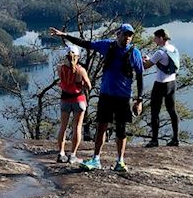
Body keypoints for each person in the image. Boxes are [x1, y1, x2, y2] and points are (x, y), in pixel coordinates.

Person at [50, 22, 143, 173]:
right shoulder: (108, 46)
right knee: (101, 127)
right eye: (125, 34)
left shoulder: (135, 53)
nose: (127, 38)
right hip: (106, 94)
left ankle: (120, 161)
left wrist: (139, 100)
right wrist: (65, 35)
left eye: (130, 35)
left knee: (121, 129)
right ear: (118, 34)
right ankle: (96, 159)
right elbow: (86, 44)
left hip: (123, 96)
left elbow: (139, 76)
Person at [53, 45, 92, 164]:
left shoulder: (60, 68)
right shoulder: (81, 70)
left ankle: (61, 153)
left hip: (65, 99)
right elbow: (89, 86)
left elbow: (63, 80)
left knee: (63, 127)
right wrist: (81, 84)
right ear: (78, 57)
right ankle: (73, 155)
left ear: (65, 56)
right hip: (78, 100)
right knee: (77, 127)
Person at [143, 28, 181, 147]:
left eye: (155, 38)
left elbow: (147, 66)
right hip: (172, 83)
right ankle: (176, 138)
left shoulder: (160, 52)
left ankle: (154, 140)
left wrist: (144, 59)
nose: (154, 40)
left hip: (160, 84)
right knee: (172, 111)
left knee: (155, 112)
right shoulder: (174, 49)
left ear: (160, 38)